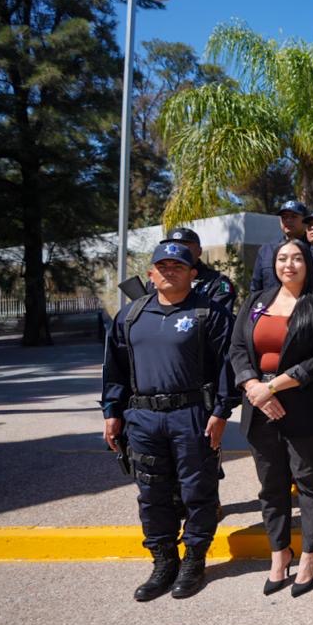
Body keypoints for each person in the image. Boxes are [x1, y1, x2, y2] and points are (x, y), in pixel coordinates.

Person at [101, 242, 236, 601]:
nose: (169, 271)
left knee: (197, 491)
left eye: (178, 265)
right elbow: (113, 369)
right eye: (162, 265)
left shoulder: (211, 314)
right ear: (150, 274)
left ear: (193, 273)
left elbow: (229, 367)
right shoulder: (130, 316)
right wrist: (112, 414)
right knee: (151, 493)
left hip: (191, 415)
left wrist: (222, 412)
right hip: (142, 418)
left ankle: (194, 560)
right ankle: (163, 562)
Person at [230, 238, 313, 597]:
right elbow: (236, 349)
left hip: (303, 406)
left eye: (296, 258)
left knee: (310, 483)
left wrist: (273, 387)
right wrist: (253, 388)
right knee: (271, 486)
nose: (288, 265)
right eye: (281, 258)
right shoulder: (256, 302)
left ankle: (310, 553)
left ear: (307, 264)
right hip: (259, 408)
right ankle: (280, 553)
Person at [152, 227, 237, 311]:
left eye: (185, 247)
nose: (177, 252)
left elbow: (218, 318)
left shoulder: (219, 283)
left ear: (199, 251)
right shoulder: (157, 280)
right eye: (172, 247)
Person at [251, 199, 308, 293]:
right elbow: (256, 288)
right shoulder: (266, 250)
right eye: (284, 217)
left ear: (305, 221)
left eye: (294, 216)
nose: (288, 220)